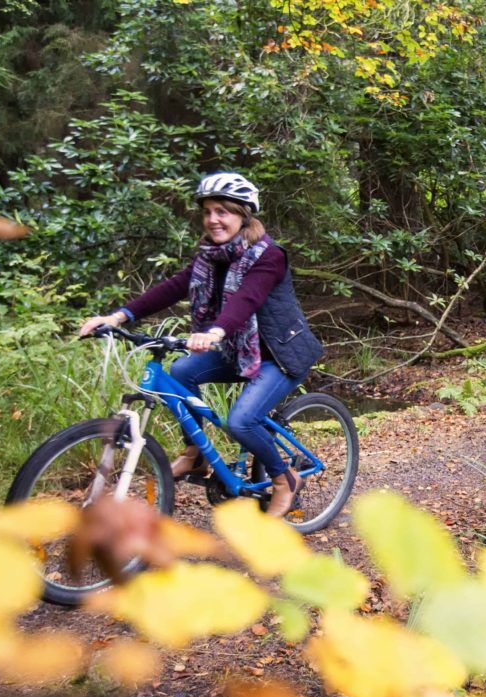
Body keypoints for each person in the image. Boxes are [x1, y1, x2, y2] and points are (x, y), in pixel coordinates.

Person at [77, 172, 323, 517]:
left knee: (241, 422)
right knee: (179, 373)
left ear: (244, 214)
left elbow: (247, 300)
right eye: (207, 211)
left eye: (223, 211)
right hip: (238, 351)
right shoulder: (211, 256)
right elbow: (174, 286)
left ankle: (285, 479)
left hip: (280, 355)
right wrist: (119, 317)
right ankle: (196, 456)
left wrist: (216, 331)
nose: (213, 219)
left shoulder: (269, 256)